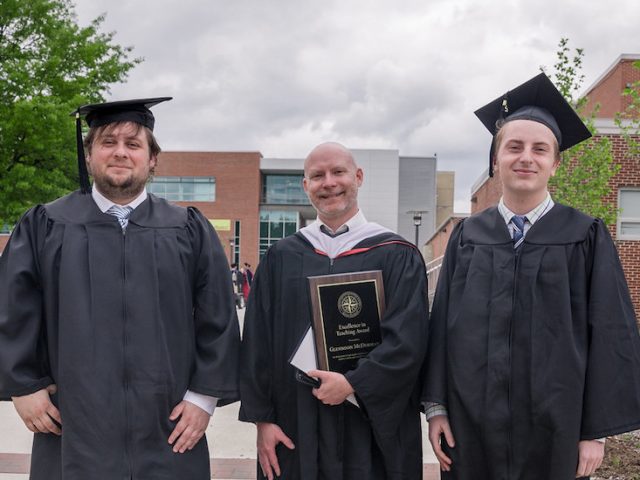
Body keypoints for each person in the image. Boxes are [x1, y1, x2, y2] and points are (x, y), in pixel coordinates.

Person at [0, 98, 240, 480]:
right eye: (108, 142)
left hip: (170, 425)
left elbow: (218, 317)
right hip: (74, 425)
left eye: (133, 144)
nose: (120, 153)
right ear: (89, 153)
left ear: (152, 158)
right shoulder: (45, 225)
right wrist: (23, 386)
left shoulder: (188, 228)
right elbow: (12, 308)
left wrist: (203, 398)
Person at [422, 73, 640, 480]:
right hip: (472, 426)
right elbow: (441, 326)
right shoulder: (469, 236)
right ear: (495, 160)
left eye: (540, 149)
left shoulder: (585, 234)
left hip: (557, 427)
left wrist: (595, 432)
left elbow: (610, 331)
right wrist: (436, 408)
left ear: (555, 163)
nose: (527, 157)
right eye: (514, 147)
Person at [239, 142, 429, 479]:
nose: (329, 182)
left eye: (338, 172)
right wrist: (262, 420)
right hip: (294, 423)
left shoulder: (397, 254)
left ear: (358, 177)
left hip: (369, 426)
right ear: (305, 186)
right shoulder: (281, 258)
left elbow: (408, 341)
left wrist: (353, 382)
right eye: (317, 176)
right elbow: (257, 343)